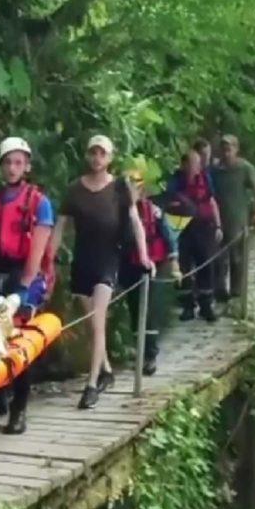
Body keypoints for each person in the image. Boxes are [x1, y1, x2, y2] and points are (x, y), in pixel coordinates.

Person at [49, 135, 153, 410]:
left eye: (102, 153)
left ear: (110, 157)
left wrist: (143, 255)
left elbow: (135, 221)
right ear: (87, 155)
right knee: (90, 323)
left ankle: (92, 384)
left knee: (98, 322)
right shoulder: (75, 190)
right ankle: (106, 369)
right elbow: (60, 226)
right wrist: (48, 258)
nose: (97, 158)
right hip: (82, 260)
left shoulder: (120, 188)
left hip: (108, 259)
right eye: (93, 152)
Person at [0, 136, 55, 435]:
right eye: (7, 162)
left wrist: (23, 290)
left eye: (18, 162)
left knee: (18, 341)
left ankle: (19, 408)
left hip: (24, 276)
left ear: (27, 166)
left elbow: (38, 250)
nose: (12, 168)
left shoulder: (39, 203)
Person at [119, 169, 181, 376]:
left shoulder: (153, 211)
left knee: (150, 308)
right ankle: (140, 351)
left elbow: (168, 234)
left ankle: (150, 354)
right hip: (129, 265)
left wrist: (174, 263)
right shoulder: (120, 212)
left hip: (152, 264)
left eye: (135, 187)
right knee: (135, 308)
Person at [166, 150, 222, 322]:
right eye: (191, 164)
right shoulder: (175, 181)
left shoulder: (205, 179)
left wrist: (218, 225)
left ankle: (206, 305)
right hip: (182, 228)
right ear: (183, 165)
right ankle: (187, 306)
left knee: (205, 263)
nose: (194, 168)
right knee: (184, 267)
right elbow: (168, 202)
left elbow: (211, 201)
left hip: (204, 227)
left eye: (197, 164)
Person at [211, 135, 255, 302]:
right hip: (218, 221)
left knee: (237, 259)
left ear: (236, 149)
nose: (226, 153)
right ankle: (220, 290)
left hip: (238, 220)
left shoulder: (245, 168)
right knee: (219, 259)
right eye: (224, 150)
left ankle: (236, 292)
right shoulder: (215, 170)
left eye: (229, 149)